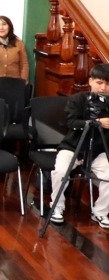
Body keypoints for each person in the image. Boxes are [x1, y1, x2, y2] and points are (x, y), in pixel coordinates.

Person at [48, 64, 109, 228]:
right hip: (72, 147)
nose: (103, 88)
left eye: (107, 84)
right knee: (60, 171)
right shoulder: (77, 99)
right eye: (99, 83)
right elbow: (71, 122)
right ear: (90, 81)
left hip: (98, 150)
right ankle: (56, 206)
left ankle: (101, 212)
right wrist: (97, 122)